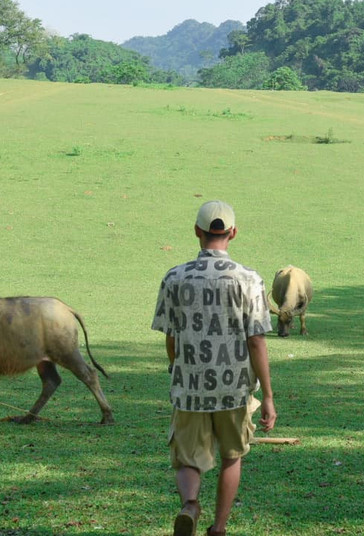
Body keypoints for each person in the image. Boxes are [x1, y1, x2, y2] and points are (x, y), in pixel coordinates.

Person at [152, 200, 277, 536]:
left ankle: (190, 504)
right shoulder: (249, 279)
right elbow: (256, 342)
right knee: (232, 456)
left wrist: (175, 368)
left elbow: (171, 336)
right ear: (233, 233)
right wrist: (267, 395)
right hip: (233, 387)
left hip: (190, 385)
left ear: (197, 231)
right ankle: (218, 528)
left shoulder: (174, 278)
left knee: (187, 458)